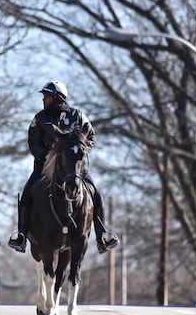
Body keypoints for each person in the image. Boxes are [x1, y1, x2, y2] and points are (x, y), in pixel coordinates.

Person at [7, 80, 119, 254]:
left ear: (58, 98)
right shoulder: (39, 118)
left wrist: (79, 153)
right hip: (44, 168)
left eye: (47, 96)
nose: (43, 99)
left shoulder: (78, 116)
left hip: (74, 168)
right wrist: (50, 158)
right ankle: (21, 235)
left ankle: (102, 235)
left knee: (95, 192)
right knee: (28, 190)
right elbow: (33, 141)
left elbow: (90, 136)